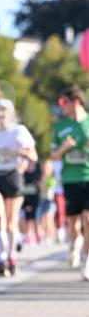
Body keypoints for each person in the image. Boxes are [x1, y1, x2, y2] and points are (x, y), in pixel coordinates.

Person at [0, 98, 37, 277]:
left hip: (12, 176)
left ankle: (12, 255)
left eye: (4, 110)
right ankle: (0, 257)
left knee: (11, 222)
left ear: (11, 113)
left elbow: (33, 156)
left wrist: (17, 152)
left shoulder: (19, 131)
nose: (1, 113)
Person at [51, 85, 89, 279]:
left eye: (64, 102)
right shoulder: (60, 127)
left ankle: (87, 259)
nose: (61, 106)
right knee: (73, 222)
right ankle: (74, 243)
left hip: (88, 176)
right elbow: (53, 155)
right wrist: (65, 147)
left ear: (76, 101)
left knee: (88, 220)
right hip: (70, 178)